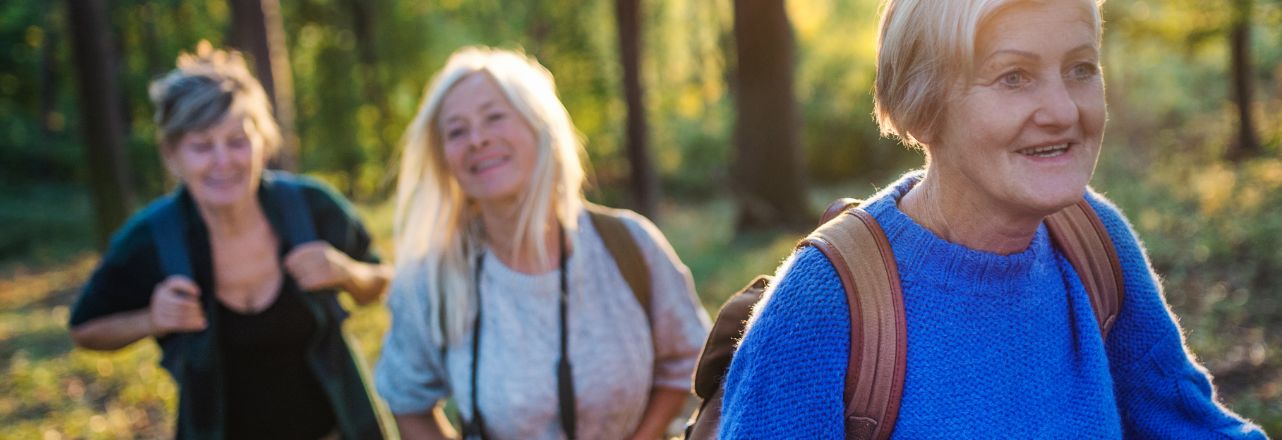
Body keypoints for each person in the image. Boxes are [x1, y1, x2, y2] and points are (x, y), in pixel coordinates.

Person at [718, 0, 1268, 438]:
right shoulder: (822, 304)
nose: (1064, 111)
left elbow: (1193, 426)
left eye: (1080, 69)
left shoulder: (1094, 243)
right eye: (1014, 77)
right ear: (922, 102)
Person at [374, 46, 710, 440]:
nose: (477, 139)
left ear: (542, 126)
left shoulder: (629, 245)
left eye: (495, 117)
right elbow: (407, 400)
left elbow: (688, 360)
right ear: (443, 157)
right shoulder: (431, 277)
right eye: (457, 130)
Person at [68, 41, 392, 440]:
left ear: (263, 142)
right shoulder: (151, 237)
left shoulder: (312, 207)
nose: (223, 162)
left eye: (237, 141)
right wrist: (151, 319)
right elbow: (84, 329)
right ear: (172, 155)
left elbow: (381, 282)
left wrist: (348, 273)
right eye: (202, 146)